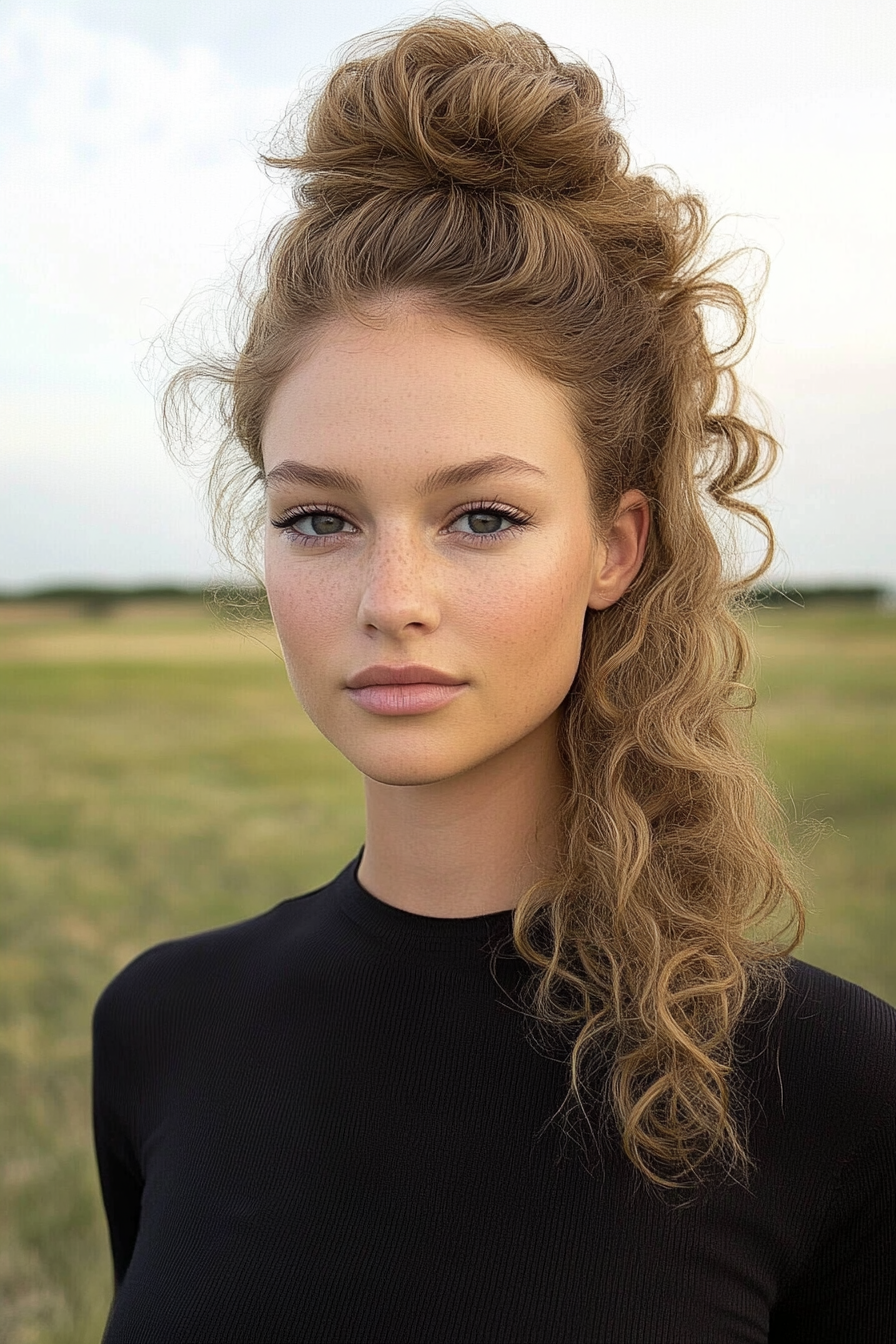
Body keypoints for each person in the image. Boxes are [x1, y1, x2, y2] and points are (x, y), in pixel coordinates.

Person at [92, 17, 895, 1343]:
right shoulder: (162, 1028)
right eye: (319, 519)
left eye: (481, 518)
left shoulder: (827, 1084)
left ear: (615, 544)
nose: (389, 599)